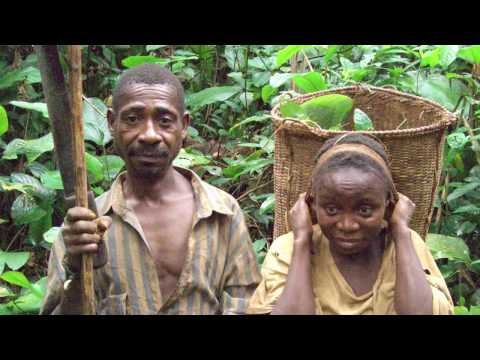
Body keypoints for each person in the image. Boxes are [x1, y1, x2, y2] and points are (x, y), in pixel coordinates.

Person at [41, 64, 261, 315]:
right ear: (112, 122)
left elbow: (247, 306)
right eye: (133, 119)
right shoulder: (84, 226)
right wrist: (77, 270)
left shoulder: (223, 213)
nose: (149, 134)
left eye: (164, 121)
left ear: (184, 125)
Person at [247, 133, 453, 315]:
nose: (347, 225)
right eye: (332, 209)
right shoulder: (289, 248)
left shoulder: (404, 245)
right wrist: (302, 242)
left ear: (388, 207)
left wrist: (400, 230)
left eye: (364, 210)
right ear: (311, 206)